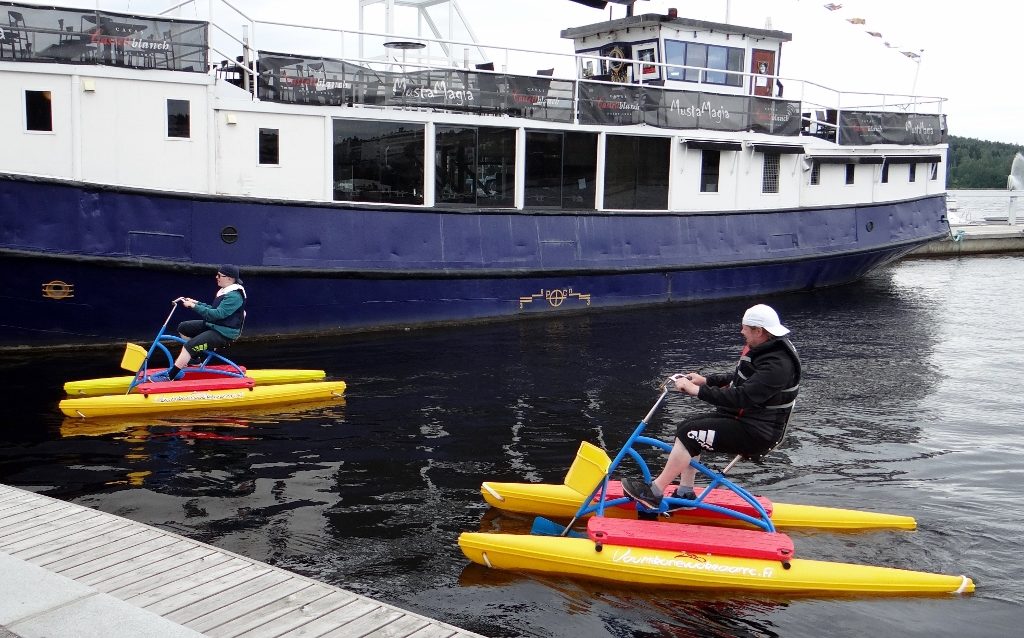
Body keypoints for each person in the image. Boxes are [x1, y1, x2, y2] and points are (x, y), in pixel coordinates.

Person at [621, 304, 801, 510]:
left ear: (759, 331)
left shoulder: (777, 365)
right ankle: (685, 494)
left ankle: (653, 492)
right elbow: (742, 379)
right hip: (746, 421)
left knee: (690, 434)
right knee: (686, 427)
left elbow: (741, 397)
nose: (741, 332)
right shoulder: (767, 348)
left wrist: (696, 391)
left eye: (745, 328)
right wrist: (706, 381)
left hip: (757, 433)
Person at [148, 265, 247, 382]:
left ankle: (170, 376)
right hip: (215, 326)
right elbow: (212, 309)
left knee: (189, 346)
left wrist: (194, 306)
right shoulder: (225, 292)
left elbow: (217, 314)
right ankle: (194, 359)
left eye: (220, 275)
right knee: (183, 327)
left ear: (230, 279)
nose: (216, 277)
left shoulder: (234, 296)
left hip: (224, 333)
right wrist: (197, 302)